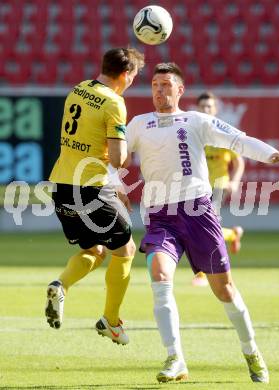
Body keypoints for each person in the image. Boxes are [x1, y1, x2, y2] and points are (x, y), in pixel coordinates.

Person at [125, 63, 279, 383]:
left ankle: (251, 350)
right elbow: (114, 156)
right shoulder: (139, 124)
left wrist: (270, 153)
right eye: (155, 85)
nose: (159, 90)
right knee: (159, 276)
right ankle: (175, 358)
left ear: (180, 90)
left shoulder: (196, 121)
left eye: (166, 85)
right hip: (161, 217)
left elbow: (237, 140)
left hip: (199, 214)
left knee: (225, 290)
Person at [45, 48, 145, 345]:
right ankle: (110, 321)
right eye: (133, 78)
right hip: (91, 188)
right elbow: (117, 159)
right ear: (125, 75)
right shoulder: (114, 103)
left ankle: (60, 285)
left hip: (61, 185)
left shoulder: (78, 89)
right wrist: (126, 152)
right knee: (126, 250)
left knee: (95, 251)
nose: (131, 83)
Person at [192, 92, 245, 287]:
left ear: (215, 109)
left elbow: (239, 162)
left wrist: (235, 181)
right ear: (197, 108)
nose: (206, 109)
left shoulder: (222, 133)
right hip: (197, 187)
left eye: (209, 107)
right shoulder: (193, 132)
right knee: (202, 228)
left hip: (218, 185)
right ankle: (232, 234)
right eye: (203, 106)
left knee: (203, 228)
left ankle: (203, 274)